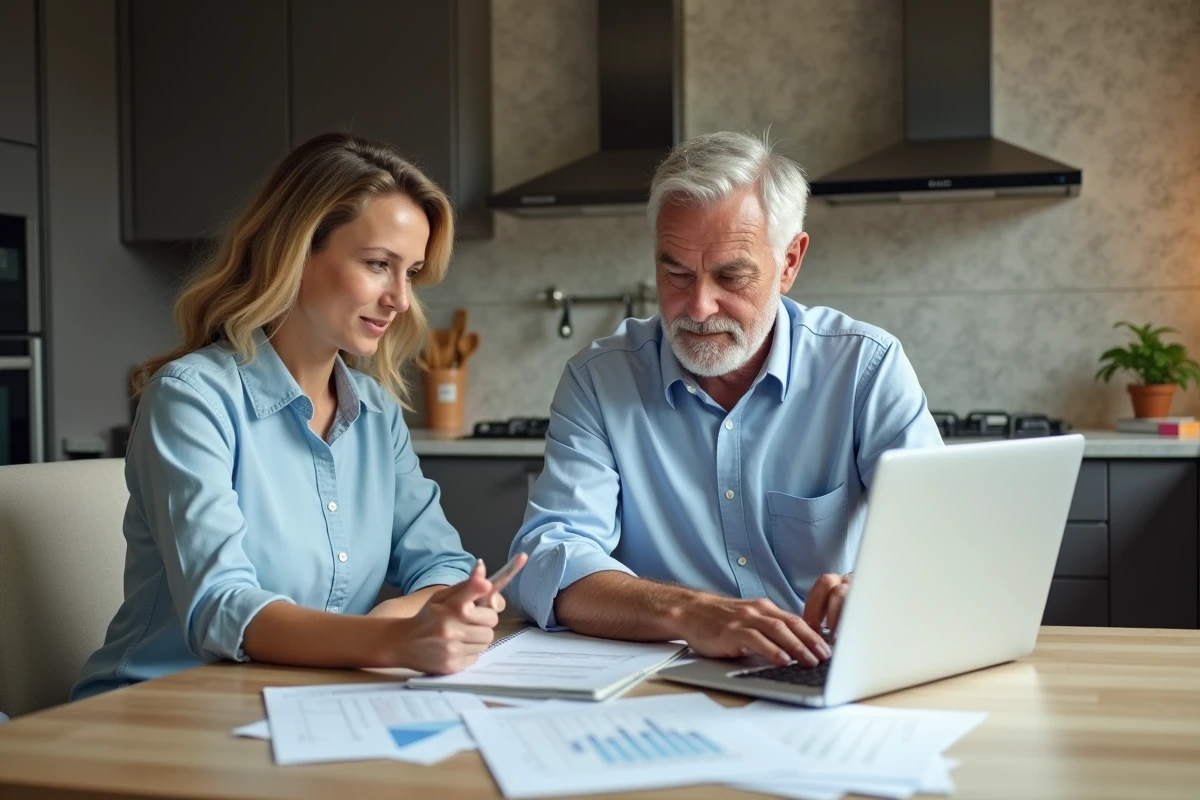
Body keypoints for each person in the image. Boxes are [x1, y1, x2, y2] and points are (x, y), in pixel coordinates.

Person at [73, 132, 517, 701]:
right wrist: (394, 640)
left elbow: (446, 566)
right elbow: (221, 608)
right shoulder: (191, 399)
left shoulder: (377, 412)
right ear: (296, 251)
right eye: (378, 265)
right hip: (156, 705)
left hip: (305, 701)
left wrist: (408, 618)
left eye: (410, 273)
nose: (400, 300)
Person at [506, 131, 943, 669]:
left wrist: (875, 586)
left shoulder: (864, 368)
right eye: (676, 273)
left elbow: (939, 533)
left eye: (731, 276)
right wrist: (690, 612)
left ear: (789, 262)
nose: (698, 306)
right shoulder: (599, 380)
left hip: (825, 667)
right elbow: (549, 561)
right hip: (668, 678)